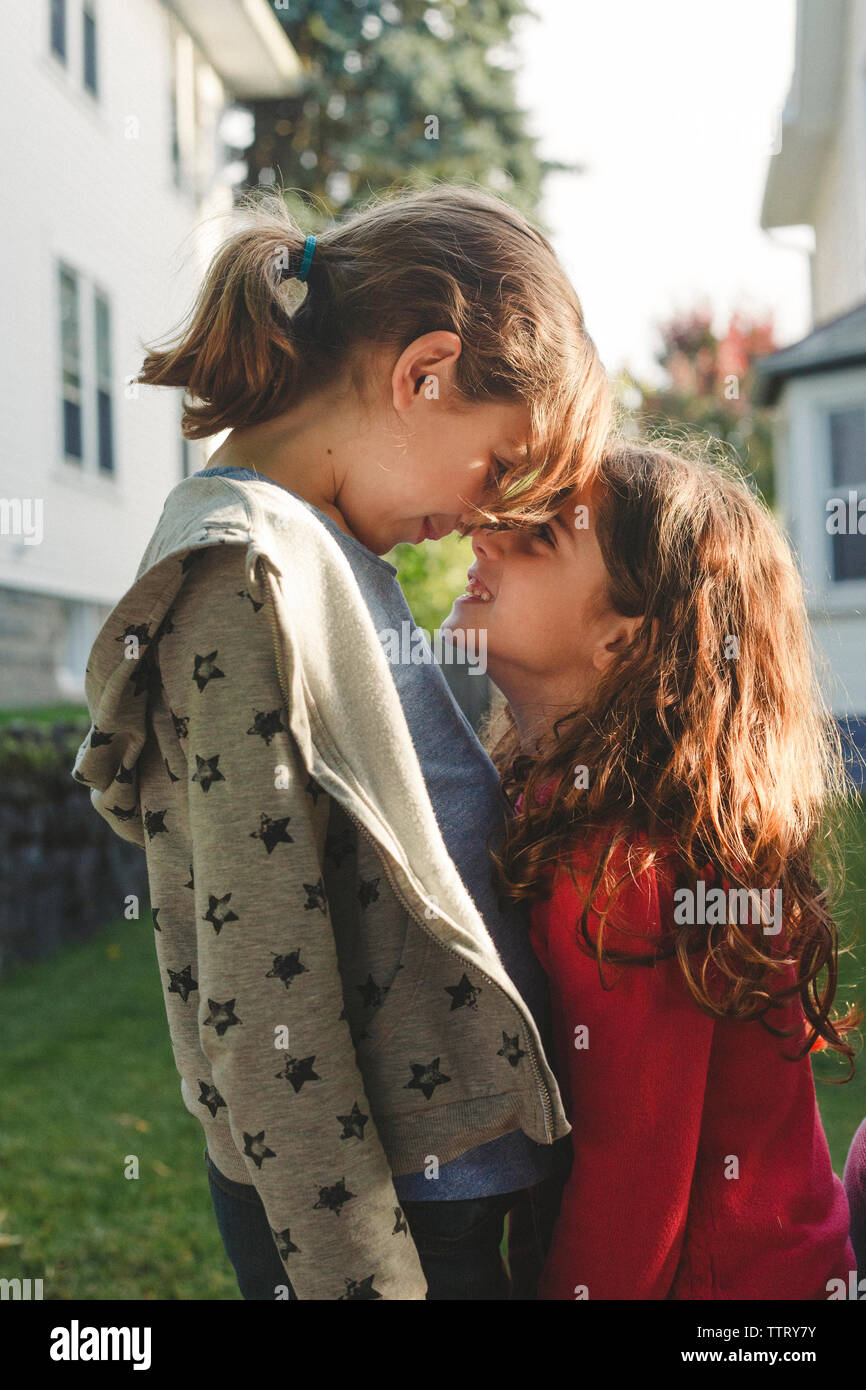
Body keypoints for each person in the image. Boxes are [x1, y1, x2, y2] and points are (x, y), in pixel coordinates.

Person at [71, 183, 610, 1300]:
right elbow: (263, 1011)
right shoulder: (241, 571)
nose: (480, 518)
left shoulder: (328, 541)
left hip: (462, 1193)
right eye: (496, 466)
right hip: (392, 1231)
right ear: (421, 373)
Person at [445, 437, 860, 1299]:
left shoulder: (627, 871)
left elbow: (631, 1197)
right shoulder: (565, 804)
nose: (486, 536)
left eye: (541, 536)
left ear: (623, 642)